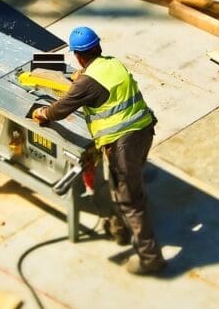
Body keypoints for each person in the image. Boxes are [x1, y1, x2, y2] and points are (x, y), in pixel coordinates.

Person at [32, 26, 167, 275]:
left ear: (78, 56)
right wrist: (81, 77)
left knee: (130, 200)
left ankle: (150, 257)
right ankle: (122, 228)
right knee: (124, 185)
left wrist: (42, 113)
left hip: (122, 143)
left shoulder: (86, 83)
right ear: (98, 47)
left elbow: (60, 110)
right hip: (144, 131)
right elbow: (99, 83)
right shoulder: (112, 64)